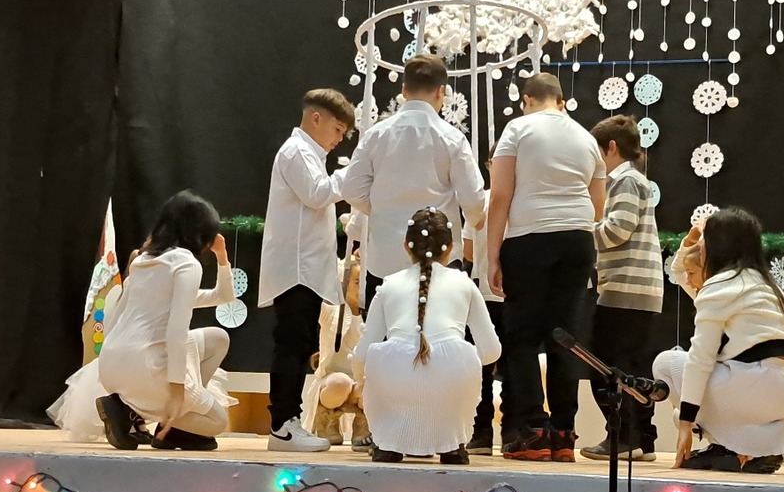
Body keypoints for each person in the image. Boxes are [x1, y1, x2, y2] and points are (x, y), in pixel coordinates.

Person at [485, 72, 607, 462]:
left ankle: (533, 431)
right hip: (578, 240)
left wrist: (492, 256)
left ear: (526, 100)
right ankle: (565, 434)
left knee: (522, 337)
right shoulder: (587, 139)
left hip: (529, 238)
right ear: (562, 101)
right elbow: (598, 207)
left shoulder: (517, 129)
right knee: (564, 338)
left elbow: (500, 195)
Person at [654, 208, 784, 473]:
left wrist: (685, 424)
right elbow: (683, 276)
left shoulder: (720, 286)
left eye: (706, 240)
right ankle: (758, 449)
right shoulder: (768, 286)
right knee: (706, 381)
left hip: (753, 388)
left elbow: (700, 359)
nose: (701, 246)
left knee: (666, 363)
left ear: (718, 245)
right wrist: (689, 242)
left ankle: (726, 447)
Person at [339, 54, 487, 310]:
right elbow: (473, 199)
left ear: (404, 90)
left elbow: (351, 190)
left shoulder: (375, 135)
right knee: (441, 331)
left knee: (386, 331)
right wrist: (476, 219)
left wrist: (382, 209)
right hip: (440, 257)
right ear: (441, 91)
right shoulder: (452, 138)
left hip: (385, 259)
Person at [356, 208, 501, 464]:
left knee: (379, 360)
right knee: (464, 356)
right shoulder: (465, 283)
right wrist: (460, 362)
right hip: (453, 376)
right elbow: (491, 351)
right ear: (451, 249)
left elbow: (362, 354)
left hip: (393, 377)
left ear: (406, 246)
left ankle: (389, 442)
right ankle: (451, 444)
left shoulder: (388, 284)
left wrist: (362, 383)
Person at [97, 191, 236, 452]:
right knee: (217, 422)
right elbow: (177, 331)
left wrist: (222, 257)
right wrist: (177, 390)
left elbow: (222, 296)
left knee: (218, 339)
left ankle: (132, 411)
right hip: (148, 366)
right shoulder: (187, 264)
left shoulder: (143, 260)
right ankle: (156, 419)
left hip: (111, 367)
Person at [259, 88, 357, 452]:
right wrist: (354, 172)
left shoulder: (310, 154)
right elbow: (317, 193)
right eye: (337, 129)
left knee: (300, 345)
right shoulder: (296, 151)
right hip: (296, 268)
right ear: (316, 118)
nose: (339, 139)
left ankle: (289, 420)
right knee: (291, 343)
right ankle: (282, 425)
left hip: (306, 268)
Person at [582, 114, 664, 460]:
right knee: (632, 366)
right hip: (637, 290)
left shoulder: (625, 181)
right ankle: (641, 438)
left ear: (611, 148)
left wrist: (580, 230)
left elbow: (617, 230)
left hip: (625, 288)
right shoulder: (634, 180)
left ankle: (624, 436)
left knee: (605, 365)